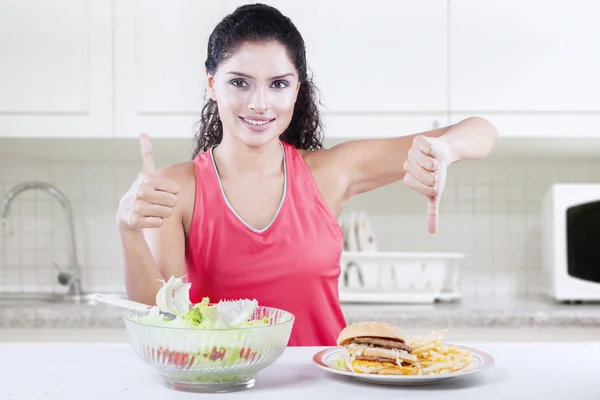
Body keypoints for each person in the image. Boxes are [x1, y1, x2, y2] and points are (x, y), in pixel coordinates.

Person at [116, 3, 497, 346]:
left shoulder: (331, 173)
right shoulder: (177, 188)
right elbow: (162, 321)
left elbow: (480, 129)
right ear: (212, 83)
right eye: (239, 82)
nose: (260, 103)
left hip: (324, 386)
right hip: (223, 388)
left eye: (278, 84)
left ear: (297, 88)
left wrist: (445, 151)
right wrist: (128, 230)